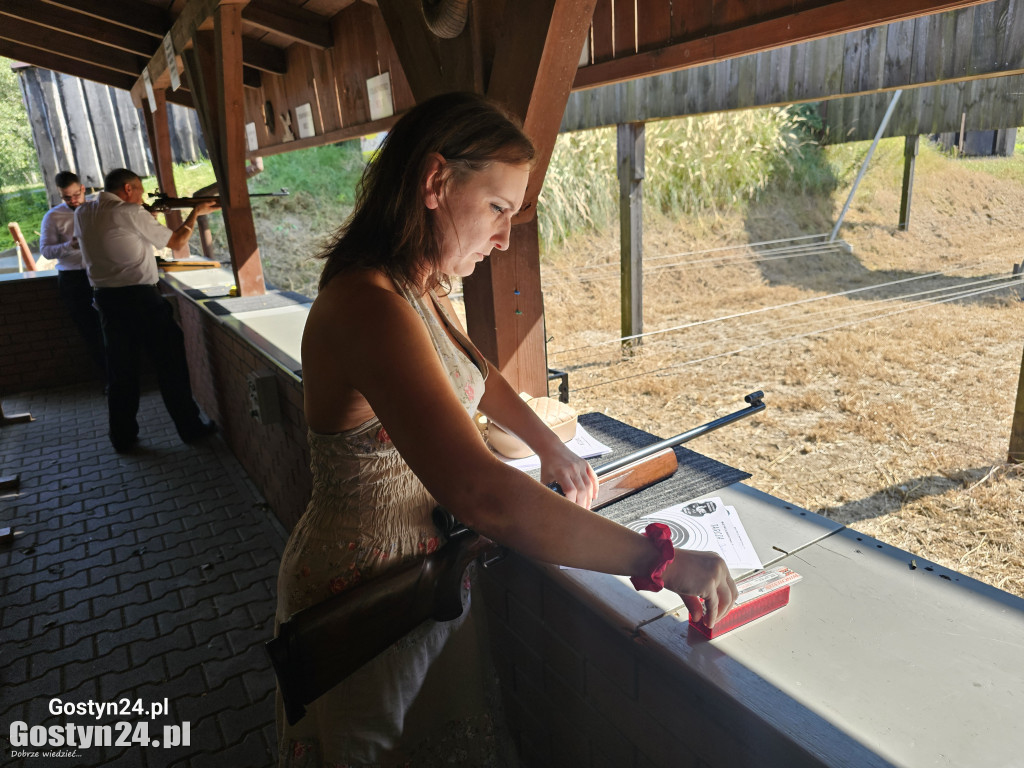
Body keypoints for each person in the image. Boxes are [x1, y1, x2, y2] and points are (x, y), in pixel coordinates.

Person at [274, 92, 738, 766]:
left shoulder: (417, 288)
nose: (503, 238)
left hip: (419, 581)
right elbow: (481, 493)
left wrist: (551, 445)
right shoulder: (365, 305)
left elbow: (479, 375)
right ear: (435, 182)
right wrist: (657, 561)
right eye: (497, 208)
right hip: (363, 600)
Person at [74, 168, 219, 453]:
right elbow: (177, 242)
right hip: (140, 299)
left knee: (121, 372)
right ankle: (190, 429)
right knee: (171, 364)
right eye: (139, 190)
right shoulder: (130, 212)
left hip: (106, 300)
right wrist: (195, 214)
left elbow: (118, 239)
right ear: (128, 189)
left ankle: (122, 437)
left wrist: (146, 219)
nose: (142, 196)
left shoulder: (83, 213)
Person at [39, 171, 106, 376]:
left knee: (113, 327)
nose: (72, 200)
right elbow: (46, 251)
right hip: (74, 280)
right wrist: (70, 245)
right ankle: (106, 379)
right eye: (66, 197)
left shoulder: (97, 209)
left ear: (83, 189)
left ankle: (125, 377)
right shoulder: (52, 217)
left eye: (75, 195)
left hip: (103, 274)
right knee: (89, 331)